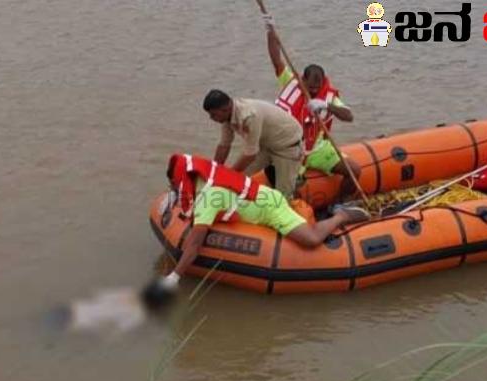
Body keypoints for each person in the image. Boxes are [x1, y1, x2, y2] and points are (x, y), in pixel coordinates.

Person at [156, 154, 369, 291]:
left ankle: (343, 215)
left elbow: (193, 245)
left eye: (174, 186)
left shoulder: (207, 200)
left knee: (311, 239)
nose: (175, 189)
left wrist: (175, 276)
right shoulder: (205, 179)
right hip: (260, 200)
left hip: (270, 208)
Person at [263, 14, 362, 199]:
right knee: (293, 190)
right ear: (303, 79)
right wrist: (270, 32)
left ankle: (337, 204)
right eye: (311, 87)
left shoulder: (328, 95)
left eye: (318, 86)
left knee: (354, 171)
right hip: (291, 149)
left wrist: (326, 106)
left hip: (318, 148)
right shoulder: (290, 83)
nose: (315, 90)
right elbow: (276, 59)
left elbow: (349, 116)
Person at [204, 89, 304, 199]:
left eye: (213, 115)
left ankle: (294, 192)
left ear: (225, 109)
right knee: (239, 178)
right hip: (266, 145)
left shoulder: (249, 116)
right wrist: (214, 173)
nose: (211, 118)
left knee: (283, 195)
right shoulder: (226, 117)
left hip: (287, 146)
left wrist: (229, 175)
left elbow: (250, 154)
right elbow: (224, 145)